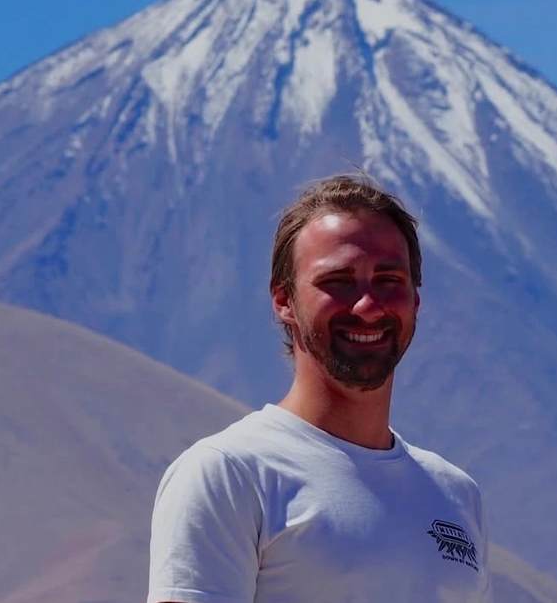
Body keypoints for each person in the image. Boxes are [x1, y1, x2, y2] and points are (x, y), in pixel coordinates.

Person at [147, 174, 493, 602]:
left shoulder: (456, 495)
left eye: (388, 280)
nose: (368, 306)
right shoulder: (230, 474)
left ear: (415, 300)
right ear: (284, 301)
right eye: (338, 281)